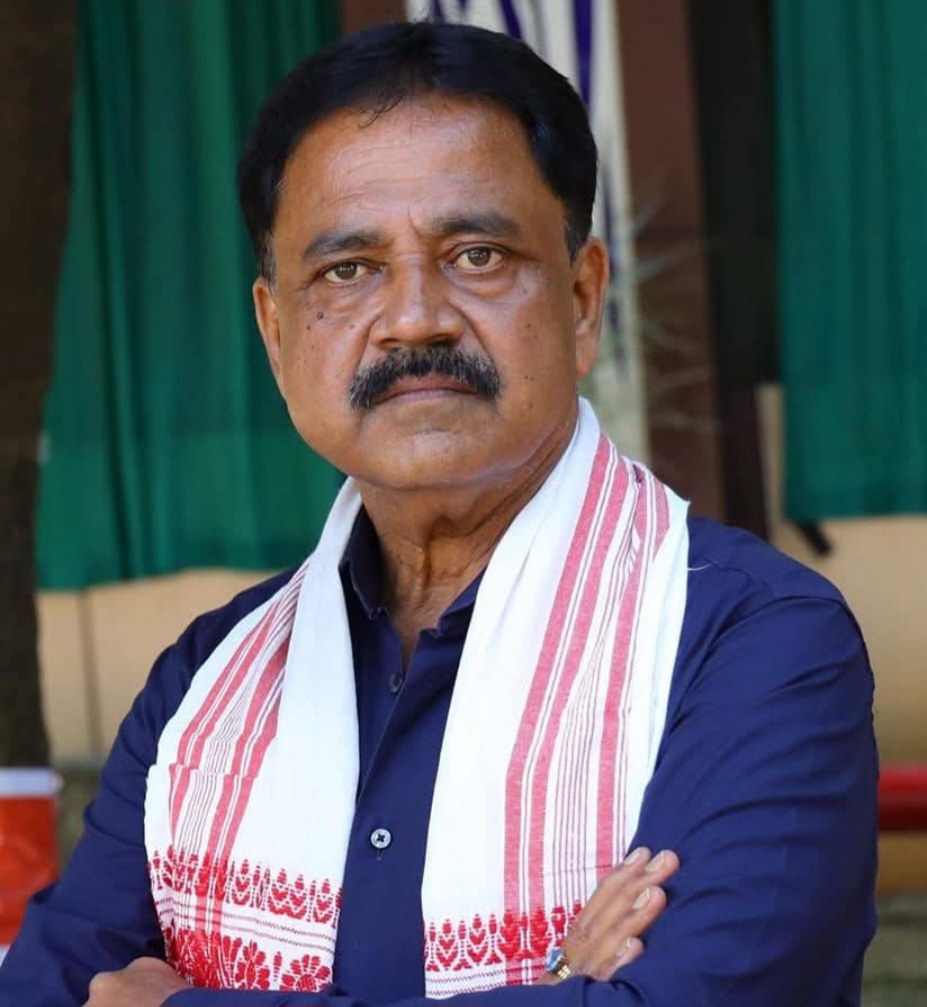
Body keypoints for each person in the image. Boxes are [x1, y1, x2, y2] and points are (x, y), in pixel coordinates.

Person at [0, 20, 877, 1007]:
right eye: (347, 269)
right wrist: (558, 986)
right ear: (276, 334)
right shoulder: (205, 685)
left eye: (477, 253)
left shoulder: (749, 643)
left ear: (582, 299)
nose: (415, 317)